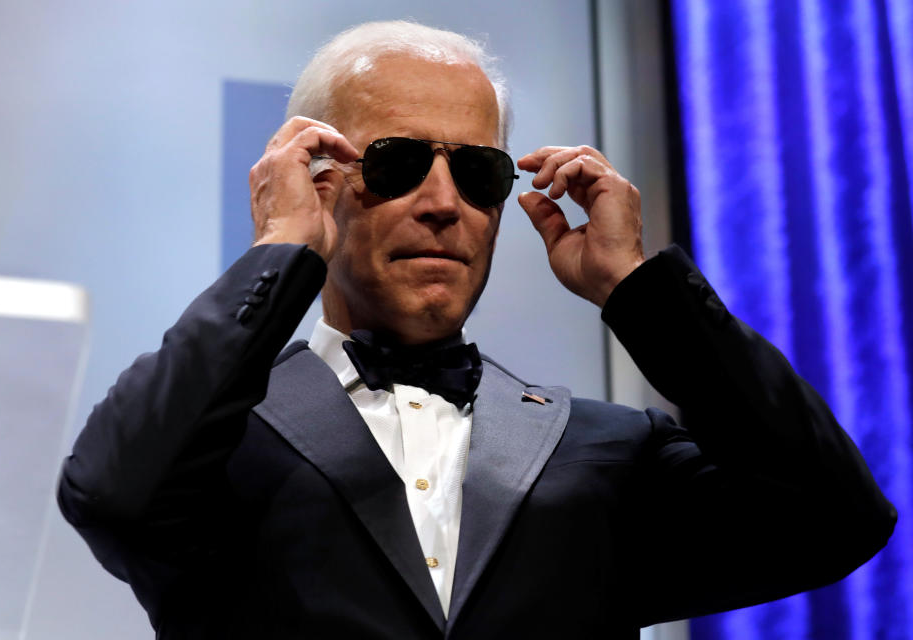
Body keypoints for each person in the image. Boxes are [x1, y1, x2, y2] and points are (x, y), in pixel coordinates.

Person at [57, 20, 896, 639]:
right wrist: (280, 251)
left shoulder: (605, 450)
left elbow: (836, 519)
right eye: (394, 163)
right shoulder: (211, 442)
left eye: (476, 170)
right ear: (315, 181)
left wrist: (640, 290)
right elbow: (108, 492)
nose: (441, 202)